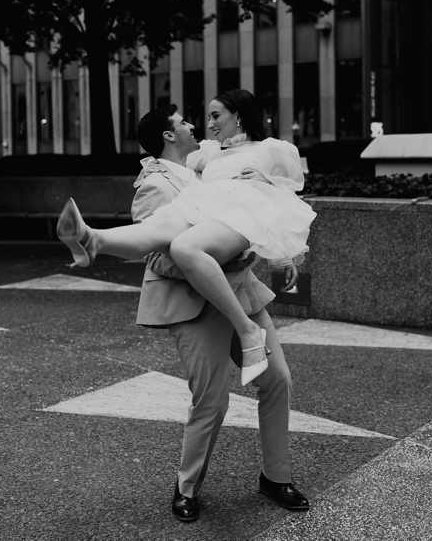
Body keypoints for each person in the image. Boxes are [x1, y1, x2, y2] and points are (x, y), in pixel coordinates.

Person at [58, 89, 315, 386]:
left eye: (215, 116)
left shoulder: (269, 149)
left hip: (243, 210)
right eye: (207, 117)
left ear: (239, 116)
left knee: (183, 246)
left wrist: (265, 184)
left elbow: (289, 188)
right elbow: (171, 159)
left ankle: (246, 330)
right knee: (162, 224)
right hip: (206, 208)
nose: (208, 124)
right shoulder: (209, 151)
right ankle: (93, 240)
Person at [131, 106, 308, 522]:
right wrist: (217, 262)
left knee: (277, 379)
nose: (196, 125)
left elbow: (247, 215)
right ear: (170, 136)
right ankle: (187, 487)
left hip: (242, 294)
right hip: (196, 306)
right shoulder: (154, 185)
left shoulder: (207, 167)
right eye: (185, 122)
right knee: (211, 401)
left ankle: (275, 477)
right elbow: (157, 257)